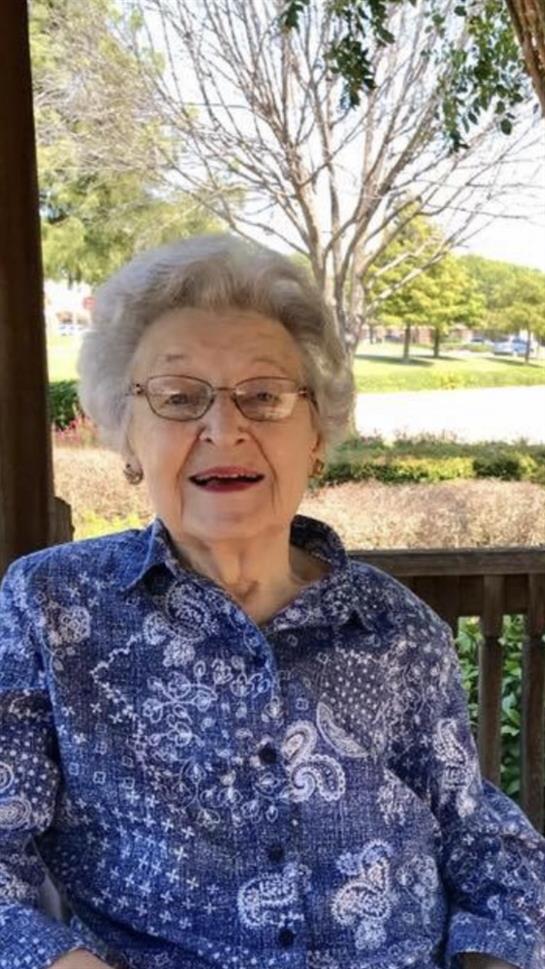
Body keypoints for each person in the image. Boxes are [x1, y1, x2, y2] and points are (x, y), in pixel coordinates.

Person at [0, 235, 543, 969]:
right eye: (178, 397)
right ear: (127, 434)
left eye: (263, 396)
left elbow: (482, 840)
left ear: (316, 434)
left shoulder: (394, 625)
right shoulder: (52, 606)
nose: (224, 430)